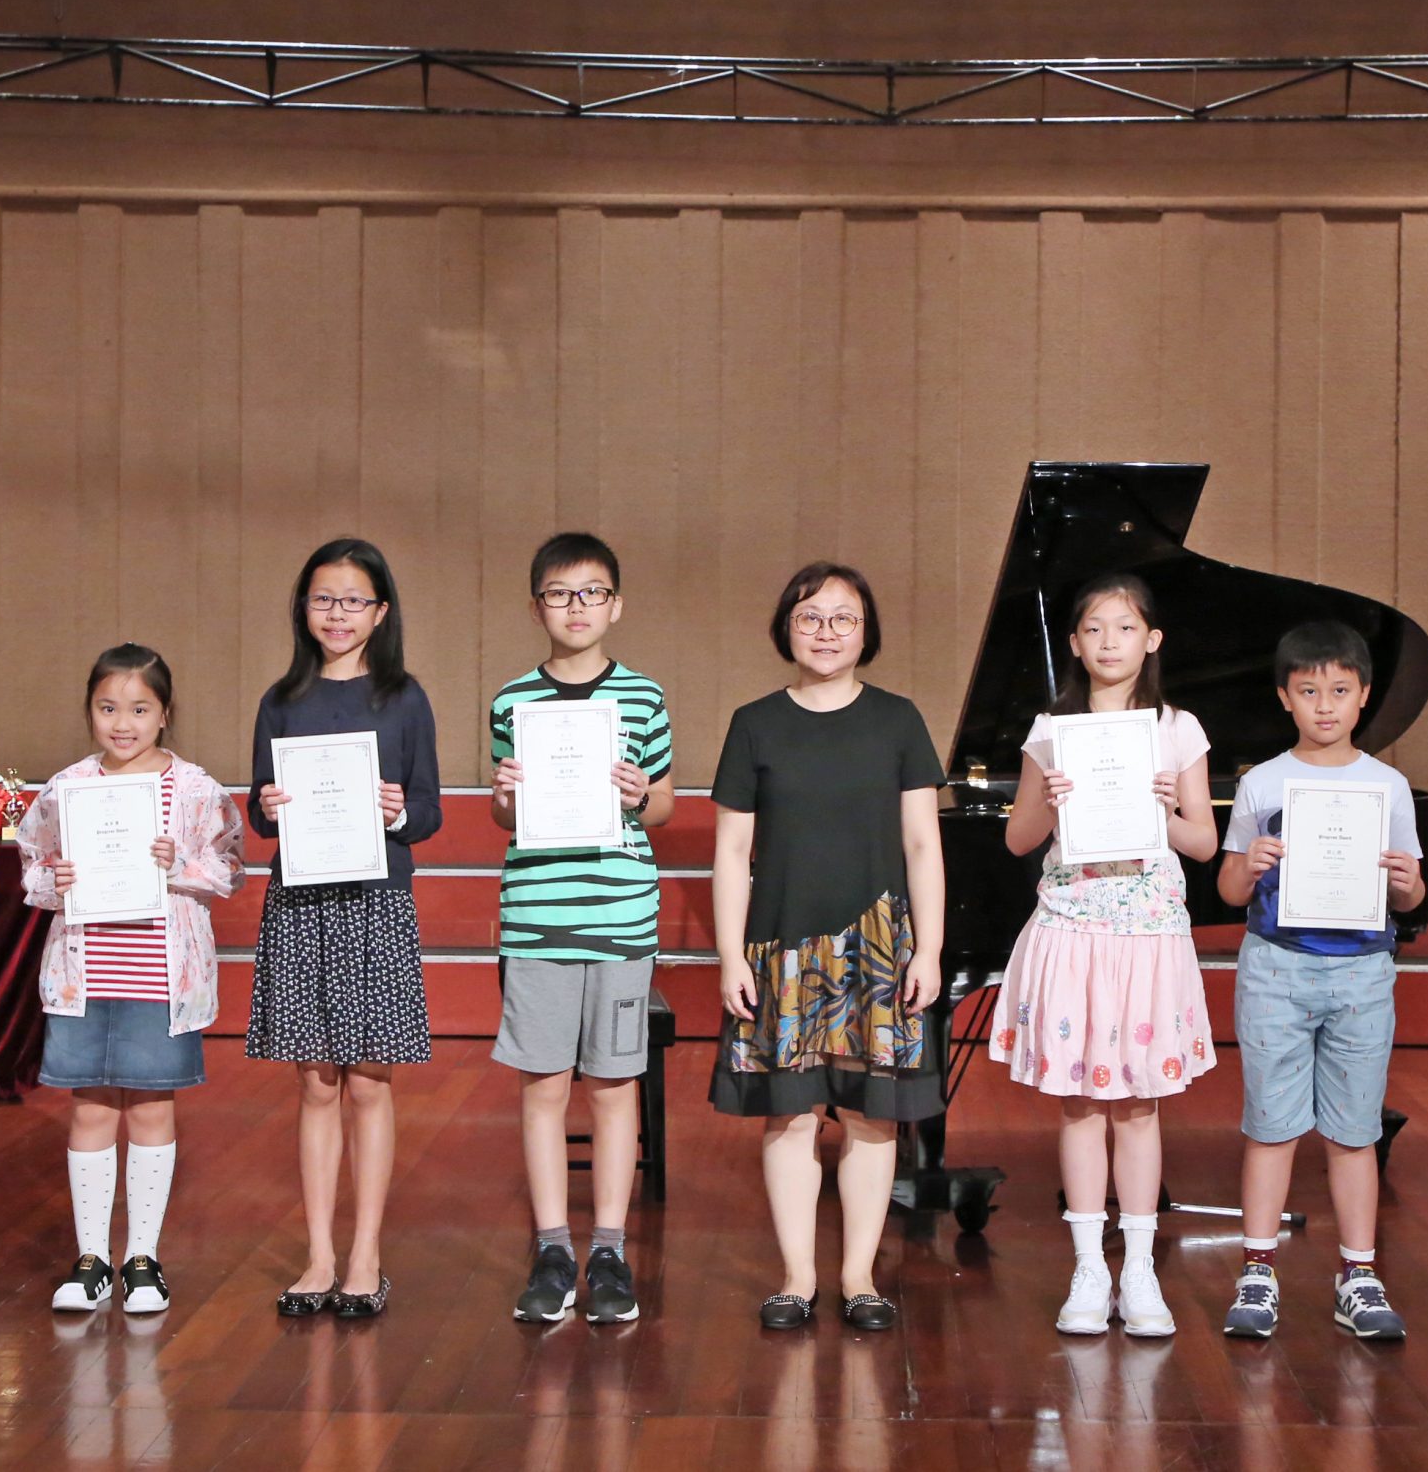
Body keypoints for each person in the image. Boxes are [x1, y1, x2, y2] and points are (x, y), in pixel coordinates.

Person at [710, 562, 945, 1332]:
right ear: (786, 627)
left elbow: (923, 844)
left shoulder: (898, 720)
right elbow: (731, 851)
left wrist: (929, 949)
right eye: (810, 617)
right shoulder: (755, 723)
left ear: (866, 632)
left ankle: (860, 1279)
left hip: (879, 947)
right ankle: (796, 1279)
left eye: (844, 618)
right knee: (790, 1116)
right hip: (780, 948)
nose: (826, 631)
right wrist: (731, 956)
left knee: (875, 1117)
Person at [991, 572, 1218, 1337]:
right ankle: (1089, 1268)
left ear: (1151, 640)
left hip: (1148, 935)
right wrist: (1048, 800)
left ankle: (1141, 1269)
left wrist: (1162, 813)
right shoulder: (1052, 728)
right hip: (1073, 930)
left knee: (1141, 1104)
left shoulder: (1177, 727)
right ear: (1075, 642)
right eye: (1094, 628)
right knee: (1083, 1102)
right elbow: (1018, 839)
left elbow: (1203, 842)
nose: (1109, 641)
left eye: (1124, 627)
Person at [1214, 621, 1428, 1342]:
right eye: (1309, 691)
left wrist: (1407, 884)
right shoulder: (1262, 782)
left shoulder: (1388, 786)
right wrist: (1250, 865)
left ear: (1364, 695)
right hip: (1276, 967)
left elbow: (1410, 895)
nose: (1325, 705)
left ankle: (1358, 1275)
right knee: (1270, 1126)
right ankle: (1257, 1270)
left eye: (1340, 690)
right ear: (1285, 697)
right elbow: (1229, 888)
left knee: (1354, 1130)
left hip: (1363, 972)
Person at [17, 643, 245, 1316]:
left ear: (165, 713)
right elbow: (31, 864)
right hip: (84, 973)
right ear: (89, 711)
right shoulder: (67, 787)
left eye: (140, 709)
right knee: (90, 1108)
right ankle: (91, 1259)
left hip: (160, 977)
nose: (123, 723)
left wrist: (179, 865)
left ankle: (142, 1259)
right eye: (108, 708)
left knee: (150, 1108)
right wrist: (54, 881)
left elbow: (230, 868)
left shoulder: (196, 788)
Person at [247, 538, 442, 1321]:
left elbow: (428, 811)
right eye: (324, 598)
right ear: (304, 606)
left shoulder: (404, 698)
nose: (338, 614)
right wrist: (266, 806)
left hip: (376, 900)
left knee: (368, 1080)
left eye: (354, 600)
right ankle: (319, 1255)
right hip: (301, 902)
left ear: (380, 612)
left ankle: (365, 1253)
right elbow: (263, 813)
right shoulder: (281, 699)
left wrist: (396, 812)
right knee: (315, 1080)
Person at [487, 533, 674, 1327]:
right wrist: (504, 794)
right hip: (537, 918)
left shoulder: (644, 697)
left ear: (615, 606)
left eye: (592, 592)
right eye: (560, 593)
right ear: (537, 607)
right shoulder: (512, 702)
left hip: (621, 916)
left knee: (613, 1084)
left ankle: (609, 1250)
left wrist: (639, 795)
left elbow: (663, 805)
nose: (576, 607)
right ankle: (552, 1249)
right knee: (544, 1086)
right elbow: (505, 815)